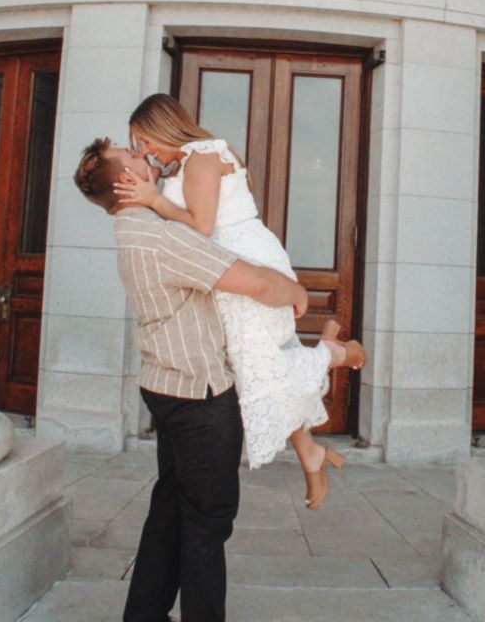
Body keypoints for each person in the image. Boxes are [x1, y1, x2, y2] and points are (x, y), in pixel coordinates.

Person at [74, 138, 311, 622]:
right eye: (134, 156)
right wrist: (296, 290)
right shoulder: (162, 238)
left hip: (166, 386)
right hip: (199, 397)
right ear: (127, 180)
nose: (146, 157)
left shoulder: (132, 231)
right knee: (208, 521)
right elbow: (258, 283)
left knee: (170, 511)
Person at [113, 94, 366, 511]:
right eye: (137, 146)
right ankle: (310, 452)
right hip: (222, 268)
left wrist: (154, 200)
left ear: (164, 128)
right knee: (255, 368)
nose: (146, 151)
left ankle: (337, 353)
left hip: (245, 264)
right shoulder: (186, 162)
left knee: (261, 364)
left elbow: (202, 227)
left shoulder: (202, 157)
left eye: (145, 141)